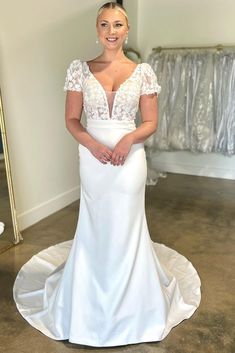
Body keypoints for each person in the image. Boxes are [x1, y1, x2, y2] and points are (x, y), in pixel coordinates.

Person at [13, 1, 201, 348]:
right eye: (104, 25)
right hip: (93, 158)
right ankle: (88, 303)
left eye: (117, 25)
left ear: (126, 30)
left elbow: (150, 122)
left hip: (130, 160)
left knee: (127, 224)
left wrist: (128, 139)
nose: (111, 31)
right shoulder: (80, 70)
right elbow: (71, 119)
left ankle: (133, 306)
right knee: (96, 224)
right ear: (97, 30)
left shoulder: (143, 72)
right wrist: (93, 145)